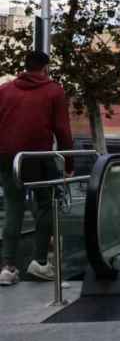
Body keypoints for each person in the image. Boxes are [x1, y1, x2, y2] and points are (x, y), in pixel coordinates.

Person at [0, 51, 73, 286]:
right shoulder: (54, 91)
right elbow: (62, 130)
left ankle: (7, 267)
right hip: (39, 157)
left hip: (8, 158)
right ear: (45, 68)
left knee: (14, 207)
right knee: (45, 206)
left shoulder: (5, 90)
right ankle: (39, 263)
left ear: (25, 67)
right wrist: (68, 163)